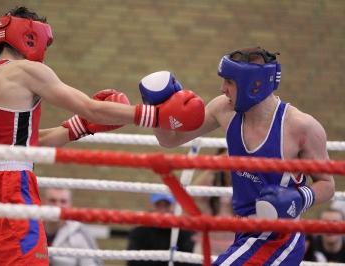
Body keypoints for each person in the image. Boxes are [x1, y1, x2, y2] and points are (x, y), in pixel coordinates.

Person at [0, 6, 205, 266]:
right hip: (12, 188)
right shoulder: (26, 71)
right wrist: (156, 115)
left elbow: (26, 143)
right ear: (30, 35)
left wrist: (79, 127)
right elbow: (91, 108)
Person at [140, 46, 335, 265]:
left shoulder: (301, 126)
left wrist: (300, 198)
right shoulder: (223, 109)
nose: (222, 88)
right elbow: (171, 139)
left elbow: (327, 184)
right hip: (244, 232)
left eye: (230, 82)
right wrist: (158, 108)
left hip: (280, 237)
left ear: (253, 85)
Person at [126, 193, 197, 266]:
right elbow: (133, 262)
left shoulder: (185, 233)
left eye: (167, 205)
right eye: (158, 205)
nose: (162, 210)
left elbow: (191, 262)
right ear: (151, 205)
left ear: (175, 206)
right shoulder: (139, 233)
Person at [42, 187, 102, 266]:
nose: (57, 205)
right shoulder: (30, 229)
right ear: (43, 202)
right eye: (52, 201)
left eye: (63, 201)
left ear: (70, 204)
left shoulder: (80, 232)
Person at [192, 148, 235, 256]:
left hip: (234, 244)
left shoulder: (246, 184)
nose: (229, 162)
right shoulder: (212, 182)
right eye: (226, 158)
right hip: (207, 243)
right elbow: (192, 193)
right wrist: (213, 165)